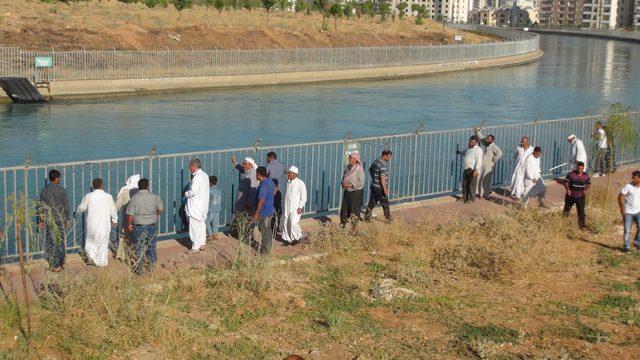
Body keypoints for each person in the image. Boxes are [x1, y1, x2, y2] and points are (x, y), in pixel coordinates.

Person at [76, 178, 118, 267]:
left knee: (91, 241)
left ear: (93, 186)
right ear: (101, 185)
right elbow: (113, 210)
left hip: (92, 223)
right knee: (103, 242)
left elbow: (82, 208)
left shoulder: (89, 196)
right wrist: (114, 220)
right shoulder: (108, 196)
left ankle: (92, 259)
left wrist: (78, 210)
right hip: (104, 224)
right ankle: (102, 262)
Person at [126, 178, 163, 275]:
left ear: (139, 187)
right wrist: (155, 214)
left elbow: (130, 214)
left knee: (139, 247)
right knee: (152, 245)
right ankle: (152, 267)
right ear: (147, 186)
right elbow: (160, 209)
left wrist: (129, 224)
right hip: (152, 225)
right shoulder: (155, 197)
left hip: (139, 226)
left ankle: (139, 269)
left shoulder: (134, 198)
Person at [38, 169, 70, 271]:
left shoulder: (44, 191)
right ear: (56, 179)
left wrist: (41, 221)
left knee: (52, 242)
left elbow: (41, 208)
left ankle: (55, 265)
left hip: (50, 220)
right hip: (61, 219)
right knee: (62, 241)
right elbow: (66, 206)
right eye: (59, 178)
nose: (59, 179)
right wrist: (67, 218)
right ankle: (63, 262)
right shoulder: (62, 190)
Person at [185, 159, 209, 254]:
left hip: (196, 206)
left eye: (190, 166)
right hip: (203, 205)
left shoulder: (197, 177)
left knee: (194, 226)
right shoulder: (205, 175)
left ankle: (195, 247)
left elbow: (193, 191)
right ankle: (202, 243)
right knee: (202, 225)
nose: (189, 168)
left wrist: (186, 193)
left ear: (194, 166)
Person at [114, 174, 140, 256]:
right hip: (140, 219)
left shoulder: (124, 191)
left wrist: (113, 217)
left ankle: (126, 254)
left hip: (127, 218)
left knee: (126, 235)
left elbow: (117, 206)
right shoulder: (141, 190)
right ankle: (137, 253)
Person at [363, 150, 392, 221]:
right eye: (389, 157)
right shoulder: (383, 165)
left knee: (373, 202)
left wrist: (374, 178)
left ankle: (367, 216)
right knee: (385, 204)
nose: (389, 159)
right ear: (385, 155)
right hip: (380, 188)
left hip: (374, 186)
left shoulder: (376, 161)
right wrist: (385, 190)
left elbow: (370, 170)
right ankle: (389, 219)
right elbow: (382, 179)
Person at [281, 166, 307, 246]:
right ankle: (287, 239)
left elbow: (304, 196)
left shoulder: (300, 183)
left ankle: (298, 236)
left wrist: (300, 207)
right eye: (288, 173)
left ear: (295, 174)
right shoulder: (288, 182)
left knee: (293, 223)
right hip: (287, 205)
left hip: (295, 207)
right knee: (286, 222)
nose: (288, 174)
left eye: (290, 173)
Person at [474, 130, 503, 199]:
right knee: (480, 178)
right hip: (483, 165)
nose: (487, 139)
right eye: (487, 138)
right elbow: (482, 139)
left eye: (489, 139)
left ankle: (486, 194)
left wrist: (493, 160)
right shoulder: (487, 145)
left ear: (492, 140)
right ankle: (479, 193)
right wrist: (477, 132)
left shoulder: (494, 147)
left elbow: (500, 153)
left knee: (486, 180)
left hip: (488, 166)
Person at [253, 166, 276, 254]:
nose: (255, 176)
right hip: (271, 209)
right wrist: (270, 198)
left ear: (259, 174)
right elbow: (276, 189)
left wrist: (256, 213)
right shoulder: (270, 181)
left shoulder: (263, 185)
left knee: (263, 229)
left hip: (264, 212)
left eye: (256, 174)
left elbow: (261, 200)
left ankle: (265, 251)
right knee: (268, 229)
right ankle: (268, 246)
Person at [340, 151, 365, 226]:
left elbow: (361, 182)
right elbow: (344, 178)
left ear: (355, 159)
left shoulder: (359, 169)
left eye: (350, 158)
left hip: (355, 193)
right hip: (347, 192)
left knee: (354, 211)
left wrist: (350, 185)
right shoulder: (348, 168)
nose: (349, 160)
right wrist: (343, 183)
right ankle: (342, 226)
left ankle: (354, 229)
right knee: (344, 210)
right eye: (349, 158)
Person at [563, 161, 591, 229]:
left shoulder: (586, 176)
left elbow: (589, 183)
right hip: (571, 196)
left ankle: (582, 226)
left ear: (583, 168)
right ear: (576, 168)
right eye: (578, 168)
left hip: (580, 196)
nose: (579, 170)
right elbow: (566, 182)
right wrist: (567, 190)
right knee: (567, 209)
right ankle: (563, 224)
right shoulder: (571, 174)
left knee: (581, 211)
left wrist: (585, 189)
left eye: (581, 169)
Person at [618, 170, 640, 253]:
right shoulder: (628, 186)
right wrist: (622, 207)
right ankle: (626, 247)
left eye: (634, 178)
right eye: (632, 178)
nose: (632, 180)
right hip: (628, 212)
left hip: (638, 211)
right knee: (627, 230)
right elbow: (620, 196)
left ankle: (637, 242)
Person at [456, 136, 483, 203]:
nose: (470, 143)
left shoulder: (478, 150)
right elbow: (465, 153)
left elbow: (479, 161)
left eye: (472, 142)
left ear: (476, 142)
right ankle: (464, 197)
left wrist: (476, 170)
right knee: (464, 184)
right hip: (466, 169)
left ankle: (471, 199)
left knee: (472, 185)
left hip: (472, 169)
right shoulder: (469, 149)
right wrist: (459, 152)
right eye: (470, 141)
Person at [206, 175, 222, 241]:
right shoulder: (219, 190)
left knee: (206, 222)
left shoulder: (209, 190)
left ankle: (210, 235)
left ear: (210, 182)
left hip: (211, 209)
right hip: (217, 208)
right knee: (215, 222)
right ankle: (215, 235)